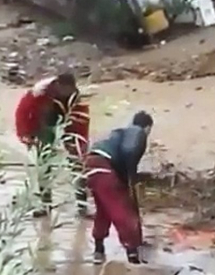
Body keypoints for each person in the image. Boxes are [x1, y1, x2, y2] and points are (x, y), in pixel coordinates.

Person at [14, 72, 90, 217]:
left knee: (78, 163)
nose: (67, 93)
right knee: (44, 164)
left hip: (68, 118)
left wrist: (80, 145)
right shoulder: (39, 93)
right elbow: (23, 113)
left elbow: (81, 122)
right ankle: (45, 206)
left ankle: (82, 207)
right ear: (58, 85)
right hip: (44, 121)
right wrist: (26, 135)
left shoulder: (76, 99)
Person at [85, 111, 154, 264]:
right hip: (105, 167)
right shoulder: (139, 133)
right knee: (122, 211)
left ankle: (99, 249)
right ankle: (132, 253)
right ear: (148, 127)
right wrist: (130, 180)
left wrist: (127, 178)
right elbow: (129, 153)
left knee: (104, 209)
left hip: (91, 164)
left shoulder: (121, 132)